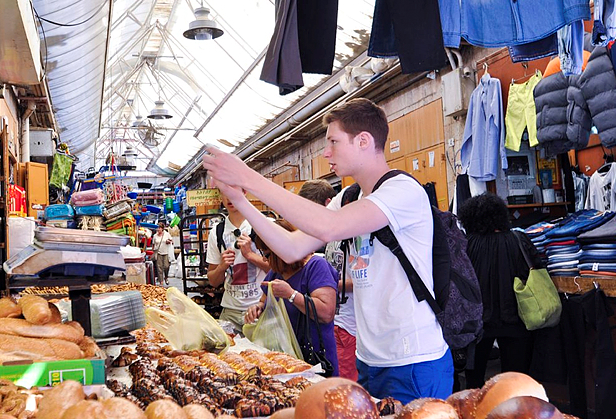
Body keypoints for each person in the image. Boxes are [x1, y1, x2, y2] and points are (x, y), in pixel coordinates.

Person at [203, 98, 452, 401]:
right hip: (369, 358)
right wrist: (240, 199)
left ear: (363, 141)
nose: (325, 152)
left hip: (413, 360)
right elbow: (291, 247)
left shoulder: (402, 192)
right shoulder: (348, 196)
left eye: (334, 141)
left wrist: (248, 178)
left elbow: (328, 227)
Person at [457, 193, 540, 388]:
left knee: (474, 382)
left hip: (478, 324)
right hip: (516, 319)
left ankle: (476, 415)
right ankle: (512, 416)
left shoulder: (467, 245)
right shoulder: (518, 240)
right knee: (515, 382)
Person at [245, 219, 340, 376]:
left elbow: (326, 313)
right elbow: (263, 301)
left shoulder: (316, 266)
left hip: (314, 358)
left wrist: (291, 295)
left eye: (267, 255)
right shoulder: (277, 271)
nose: (264, 260)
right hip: (286, 360)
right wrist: (257, 308)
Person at [298, 179, 358, 381]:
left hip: (350, 326)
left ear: (330, 203)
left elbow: (364, 279)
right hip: (333, 322)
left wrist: (325, 286)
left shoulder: (352, 233)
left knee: (345, 387)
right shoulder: (329, 236)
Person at [205, 192, 271, 334]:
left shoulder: (263, 225)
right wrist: (222, 267)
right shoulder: (217, 232)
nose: (229, 196)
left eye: (233, 189)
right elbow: (213, 281)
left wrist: (250, 255)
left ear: (244, 192)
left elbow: (279, 271)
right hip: (230, 312)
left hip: (261, 309)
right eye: (225, 191)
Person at [152, 221, 173, 286]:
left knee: (166, 266)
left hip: (166, 252)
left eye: (159, 228)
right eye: (157, 228)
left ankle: (166, 276)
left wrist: (168, 241)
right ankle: (161, 281)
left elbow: (172, 241)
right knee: (159, 268)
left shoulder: (167, 234)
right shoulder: (155, 236)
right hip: (158, 253)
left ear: (162, 228)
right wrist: (153, 252)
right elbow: (153, 244)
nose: (158, 229)